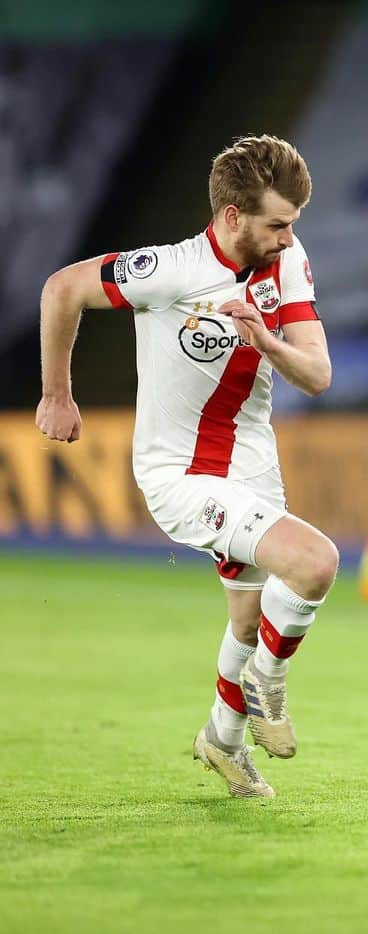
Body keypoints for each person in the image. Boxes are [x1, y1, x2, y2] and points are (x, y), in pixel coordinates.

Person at [35, 135, 339, 799]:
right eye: (277, 224)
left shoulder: (288, 262)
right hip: (180, 477)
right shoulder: (167, 271)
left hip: (253, 466)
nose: (289, 239)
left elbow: (317, 373)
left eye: (295, 224)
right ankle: (268, 684)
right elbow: (62, 288)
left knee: (249, 621)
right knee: (315, 564)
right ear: (233, 217)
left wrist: (266, 340)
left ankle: (222, 743)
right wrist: (57, 394)